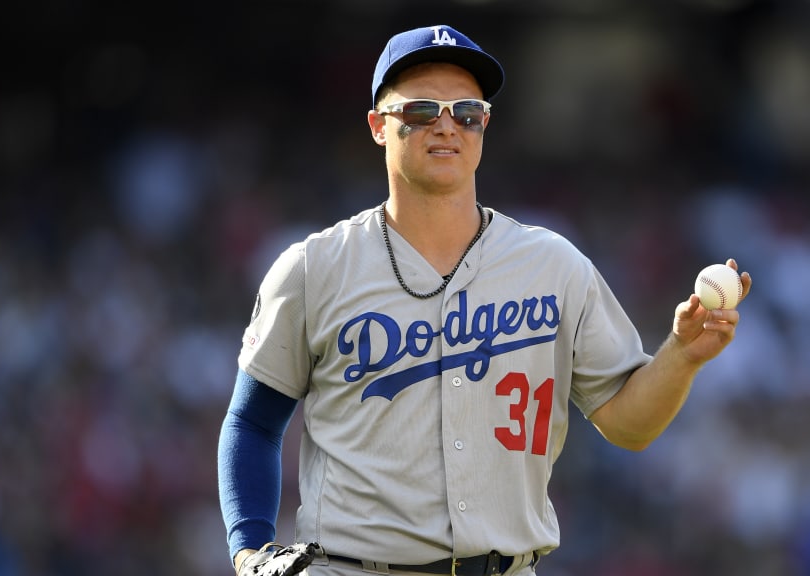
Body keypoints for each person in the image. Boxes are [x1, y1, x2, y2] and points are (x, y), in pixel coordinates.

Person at [218, 24, 752, 576]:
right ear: (379, 126)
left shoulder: (553, 265)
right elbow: (253, 423)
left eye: (466, 112)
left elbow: (628, 424)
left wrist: (682, 355)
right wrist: (249, 547)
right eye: (422, 110)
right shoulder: (314, 268)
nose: (446, 125)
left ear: (484, 125)